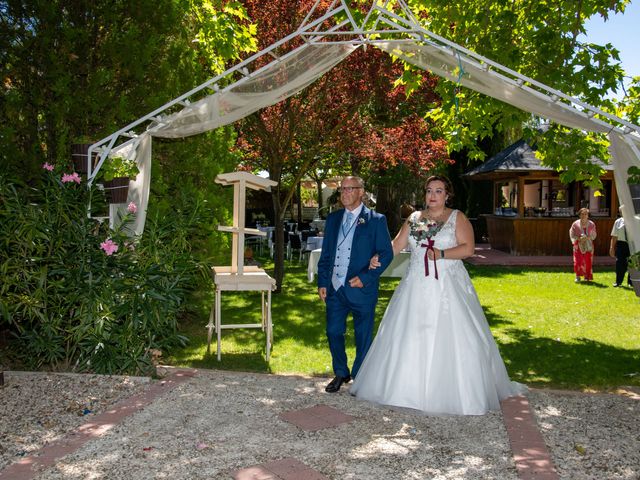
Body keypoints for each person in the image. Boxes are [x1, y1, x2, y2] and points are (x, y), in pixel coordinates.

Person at [350, 175, 524, 415]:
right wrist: (380, 255)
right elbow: (396, 245)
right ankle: (404, 389)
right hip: (415, 286)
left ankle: (454, 392)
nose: (433, 195)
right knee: (408, 333)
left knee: (454, 334)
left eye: (439, 191)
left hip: (447, 285)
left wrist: (442, 254)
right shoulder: (414, 219)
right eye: (429, 190)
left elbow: (468, 248)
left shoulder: (457, 218)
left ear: (447, 194)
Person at [317, 176, 393, 393]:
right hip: (335, 288)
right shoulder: (333, 219)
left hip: (362, 289)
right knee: (333, 331)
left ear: (362, 192)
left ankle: (361, 377)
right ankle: (341, 372)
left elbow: (386, 253)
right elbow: (327, 254)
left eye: (351, 188)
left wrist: (367, 277)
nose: (345, 192)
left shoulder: (376, 220)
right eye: (342, 189)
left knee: (363, 336)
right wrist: (323, 282)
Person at [570, 208, 597, 282]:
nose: (584, 215)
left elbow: (594, 235)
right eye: (582, 214)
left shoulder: (591, 224)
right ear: (579, 215)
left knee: (588, 261)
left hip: (588, 245)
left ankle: (587, 277)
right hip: (578, 245)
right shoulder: (575, 224)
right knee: (578, 261)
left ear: (588, 215)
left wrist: (587, 237)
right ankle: (577, 276)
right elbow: (572, 234)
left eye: (585, 214)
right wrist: (578, 238)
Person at [610, 210, 632, 287]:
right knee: (619, 263)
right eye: (621, 211)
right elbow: (614, 236)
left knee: (632, 264)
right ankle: (618, 282)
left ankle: (631, 283)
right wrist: (612, 248)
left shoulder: (636, 220)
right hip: (621, 244)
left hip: (633, 244)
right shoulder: (618, 221)